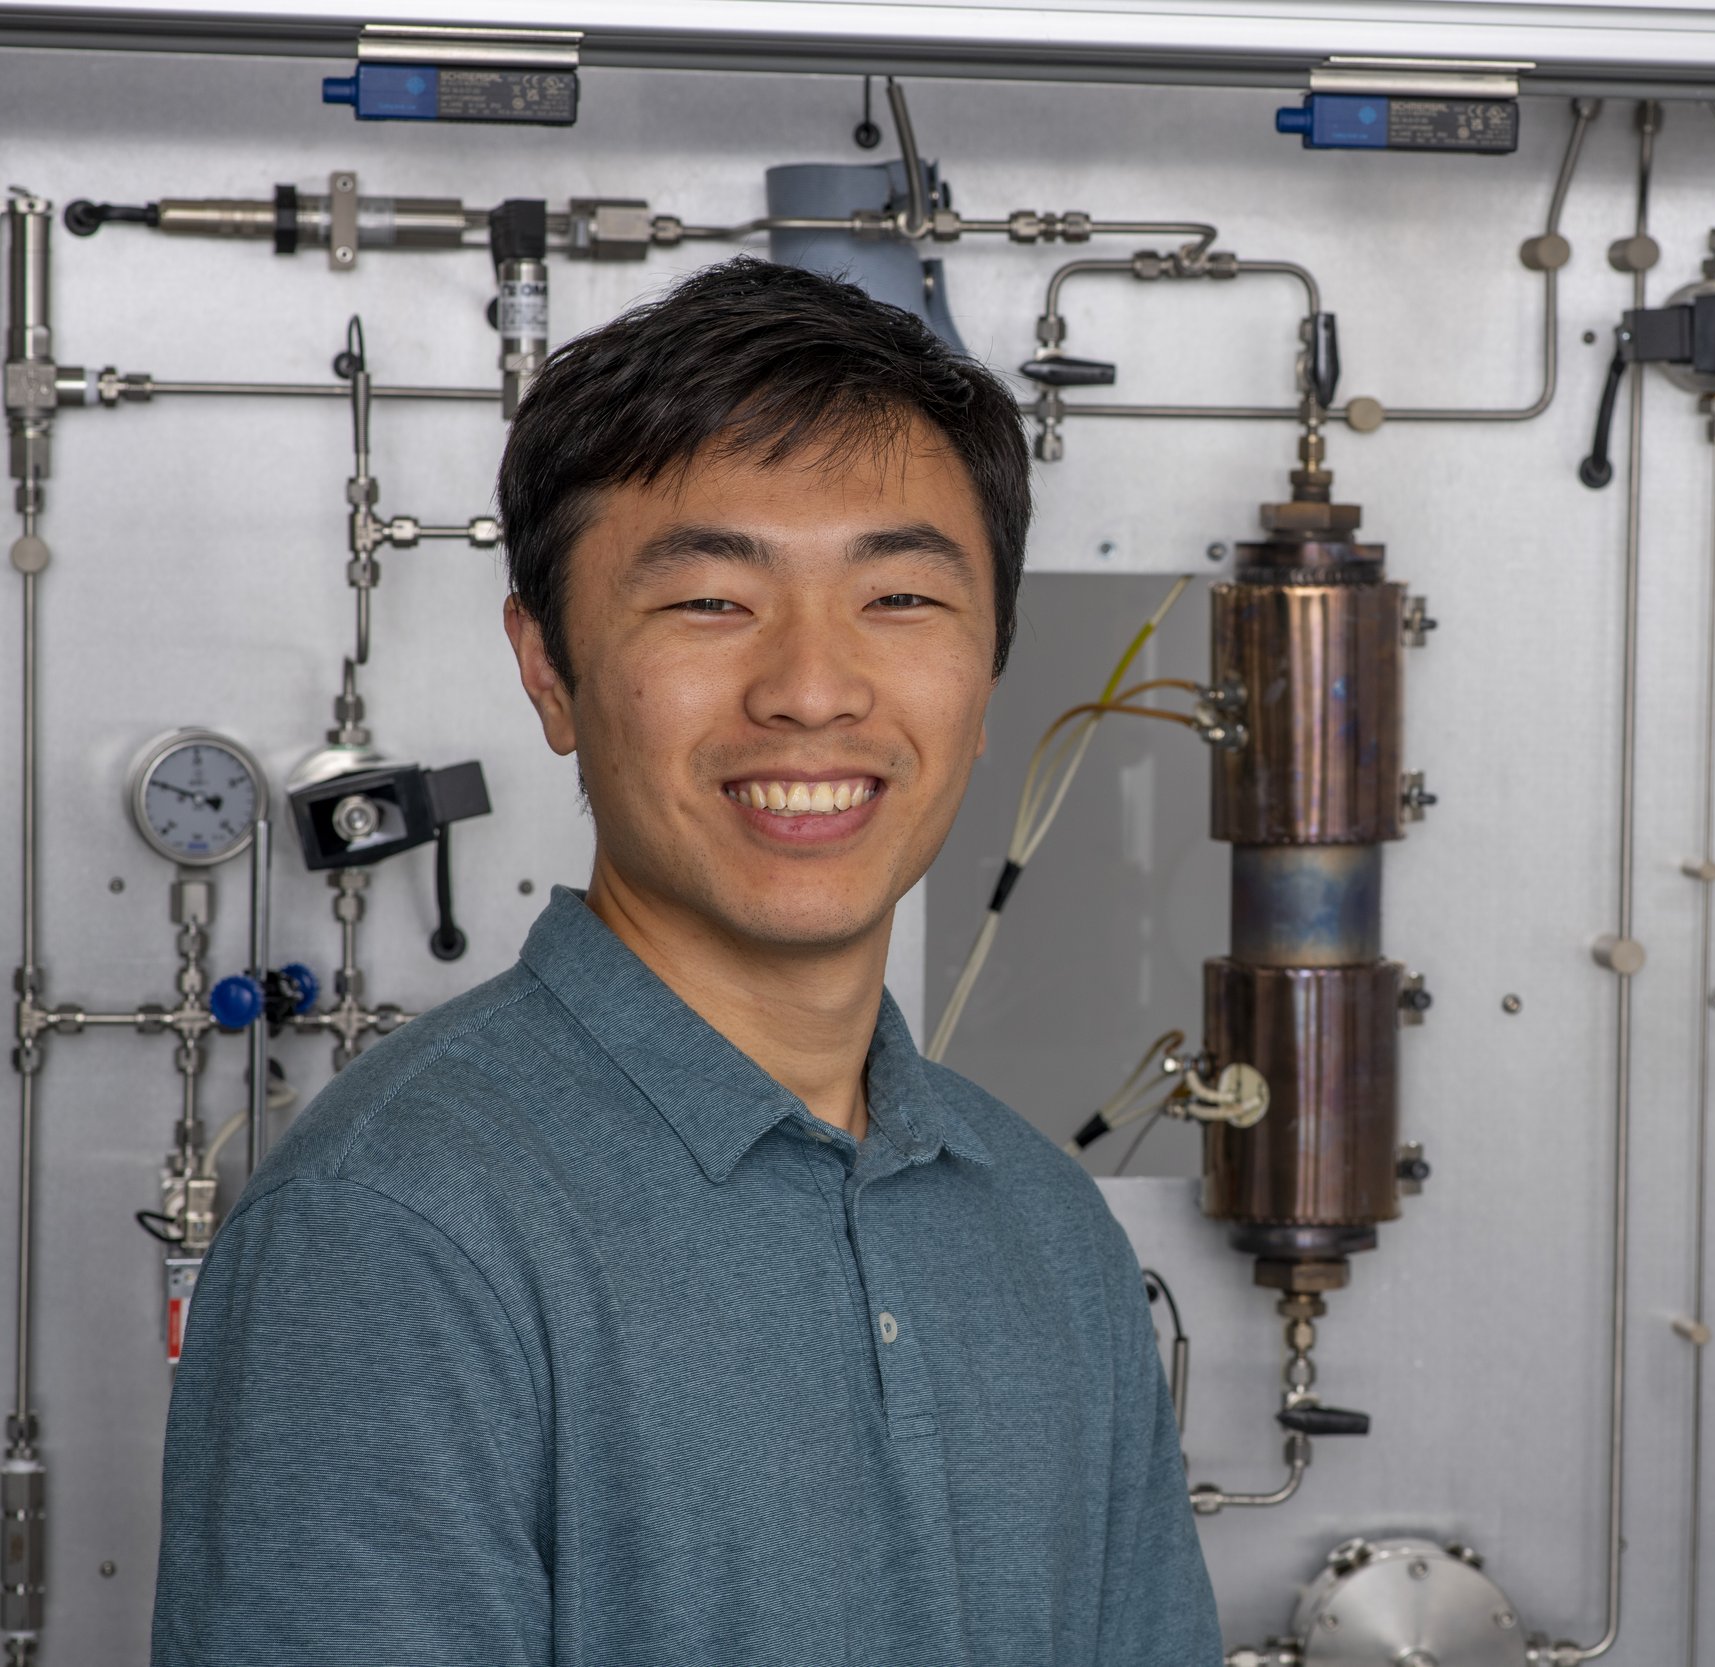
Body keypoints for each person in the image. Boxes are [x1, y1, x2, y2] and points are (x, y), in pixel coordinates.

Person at [151, 256, 1220, 1667]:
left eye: (900, 600)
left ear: (989, 670)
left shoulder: (1043, 1231)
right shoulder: (397, 1235)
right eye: (712, 601)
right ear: (548, 669)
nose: (812, 688)